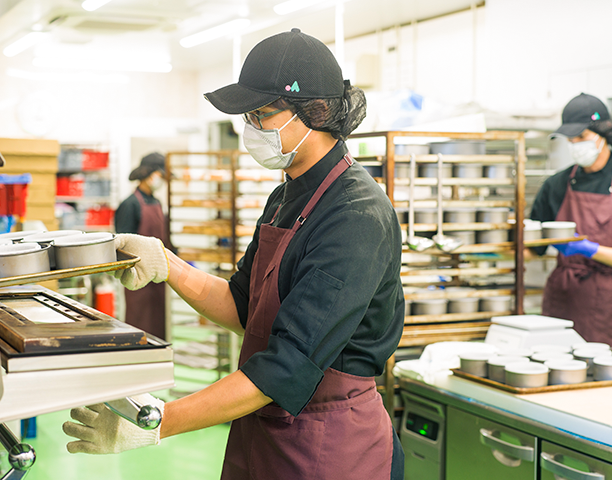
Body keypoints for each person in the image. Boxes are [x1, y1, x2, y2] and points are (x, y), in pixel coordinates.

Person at [63, 28, 405, 479]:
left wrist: (159, 422)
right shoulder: (287, 196)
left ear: (314, 113)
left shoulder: (356, 215)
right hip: (266, 429)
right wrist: (167, 264)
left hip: (329, 443)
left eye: (262, 114)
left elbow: (288, 365)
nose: (251, 129)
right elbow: (244, 307)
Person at [529, 93, 612, 354]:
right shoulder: (556, 185)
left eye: (582, 137)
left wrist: (588, 249)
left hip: (605, 305)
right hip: (561, 299)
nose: (575, 144)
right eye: (571, 139)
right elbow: (534, 247)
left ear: (604, 134)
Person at [114, 152, 172, 340]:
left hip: (160, 277)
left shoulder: (157, 202)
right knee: (139, 324)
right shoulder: (129, 205)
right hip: (138, 279)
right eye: (161, 176)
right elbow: (121, 247)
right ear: (150, 174)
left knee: (159, 325)